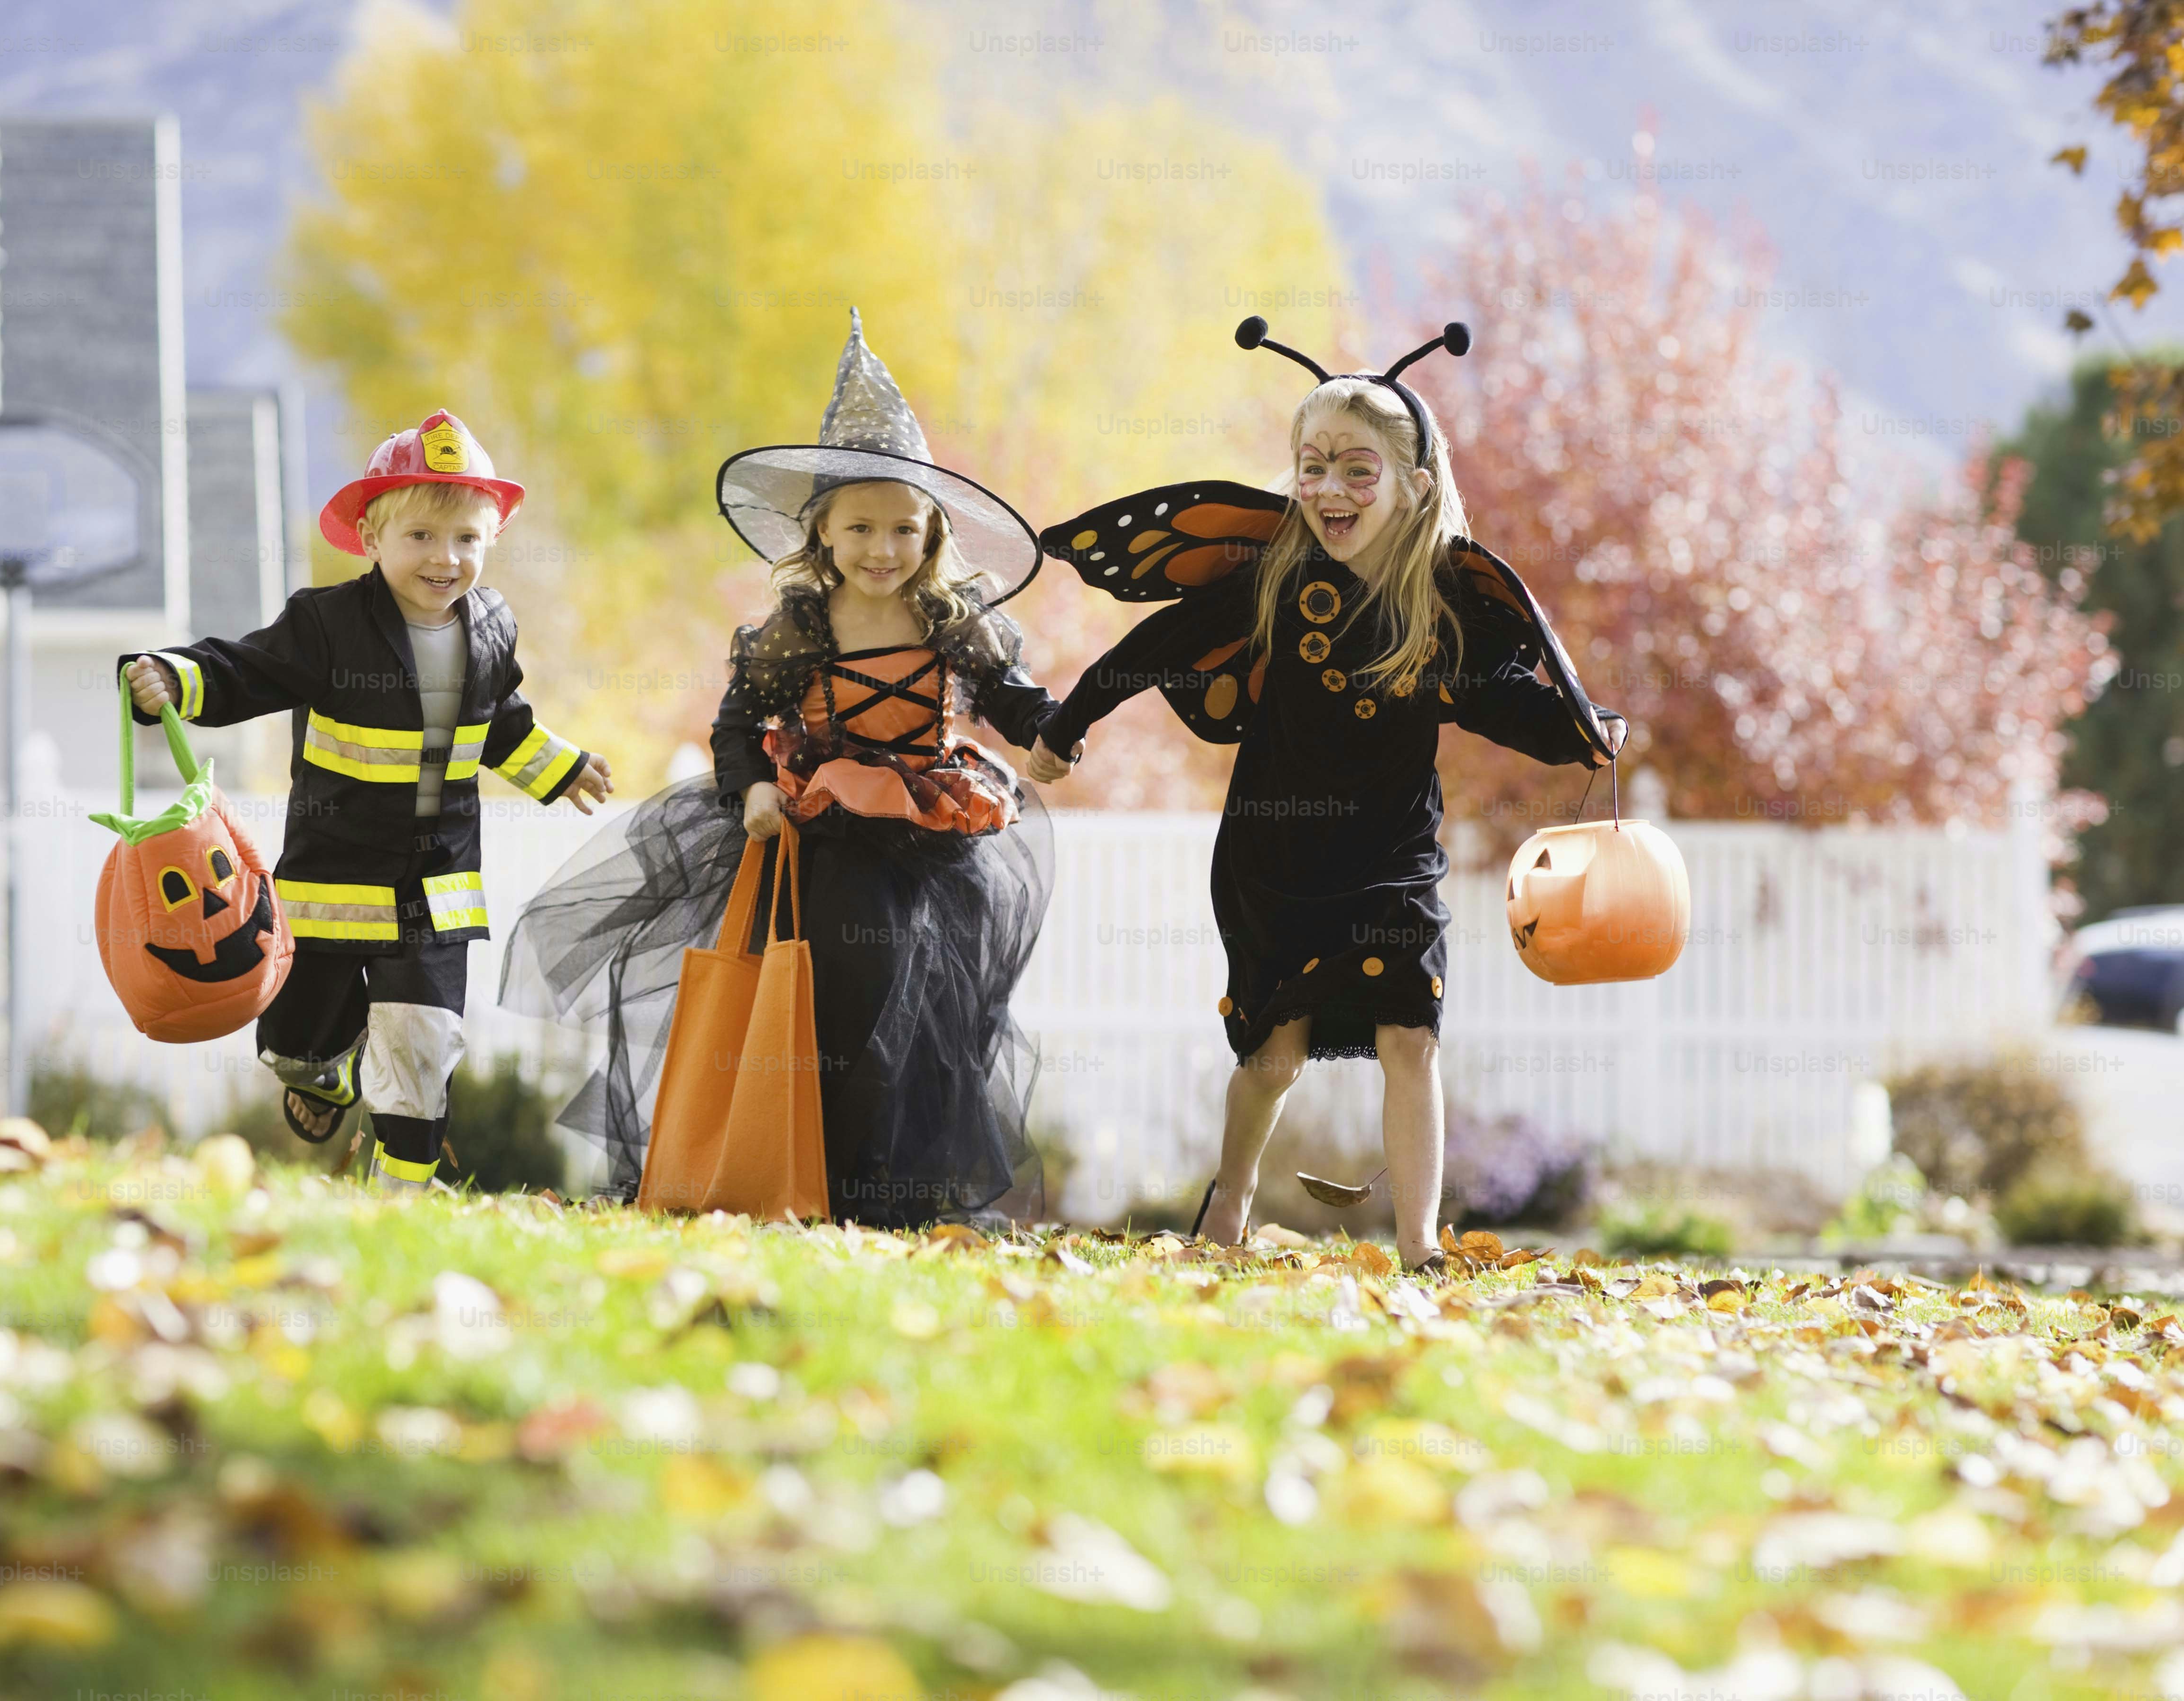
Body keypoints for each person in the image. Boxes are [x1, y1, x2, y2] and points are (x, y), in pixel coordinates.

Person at [1029, 320, 1626, 1265]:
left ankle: (1421, 1240)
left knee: (1411, 1039)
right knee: (1274, 1057)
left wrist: (1585, 730)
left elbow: (1505, 702)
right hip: (1276, 856)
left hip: (1393, 854)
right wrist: (1068, 726)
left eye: (1357, 469)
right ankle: (1228, 1207)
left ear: (1414, 486)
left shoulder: (1440, 604)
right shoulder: (1274, 582)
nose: (1329, 490)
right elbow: (1156, 647)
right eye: (1312, 466)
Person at [501, 311, 1066, 1228]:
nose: (882, 550)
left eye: (902, 531)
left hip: (931, 848)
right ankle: (812, 1175)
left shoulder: (953, 624)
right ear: (823, 531)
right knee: (837, 1005)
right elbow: (735, 725)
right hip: (823, 842)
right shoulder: (799, 628)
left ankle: (896, 1195)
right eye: (860, 529)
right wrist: (752, 786)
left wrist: (1050, 731)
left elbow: (1012, 696)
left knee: (926, 1018)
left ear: (931, 535)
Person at [121, 409, 611, 1194]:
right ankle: (319, 1076)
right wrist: (177, 678)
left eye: (466, 541)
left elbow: (502, 723)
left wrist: (564, 768)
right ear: (372, 539)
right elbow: (249, 670)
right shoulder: (327, 625)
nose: (444, 559)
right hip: (333, 875)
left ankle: (403, 1189)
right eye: (419, 537)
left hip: (435, 885)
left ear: (489, 544)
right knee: (295, 1037)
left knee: (423, 1038)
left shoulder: (491, 627)